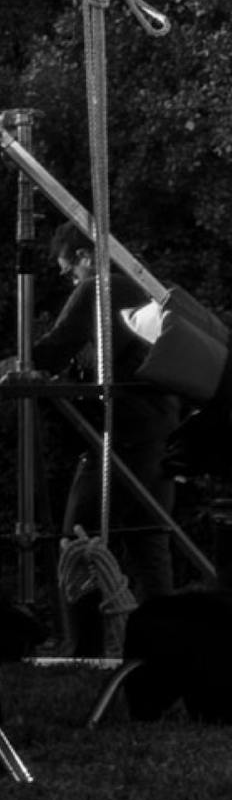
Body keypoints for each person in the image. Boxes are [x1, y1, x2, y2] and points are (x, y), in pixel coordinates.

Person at [1, 224, 180, 648]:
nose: (70, 281)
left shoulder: (100, 286)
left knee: (77, 540)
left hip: (126, 436)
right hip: (160, 432)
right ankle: (168, 645)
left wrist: (9, 369)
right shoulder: (138, 290)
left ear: (84, 257)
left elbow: (50, 349)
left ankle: (84, 647)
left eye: (68, 271)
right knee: (148, 544)